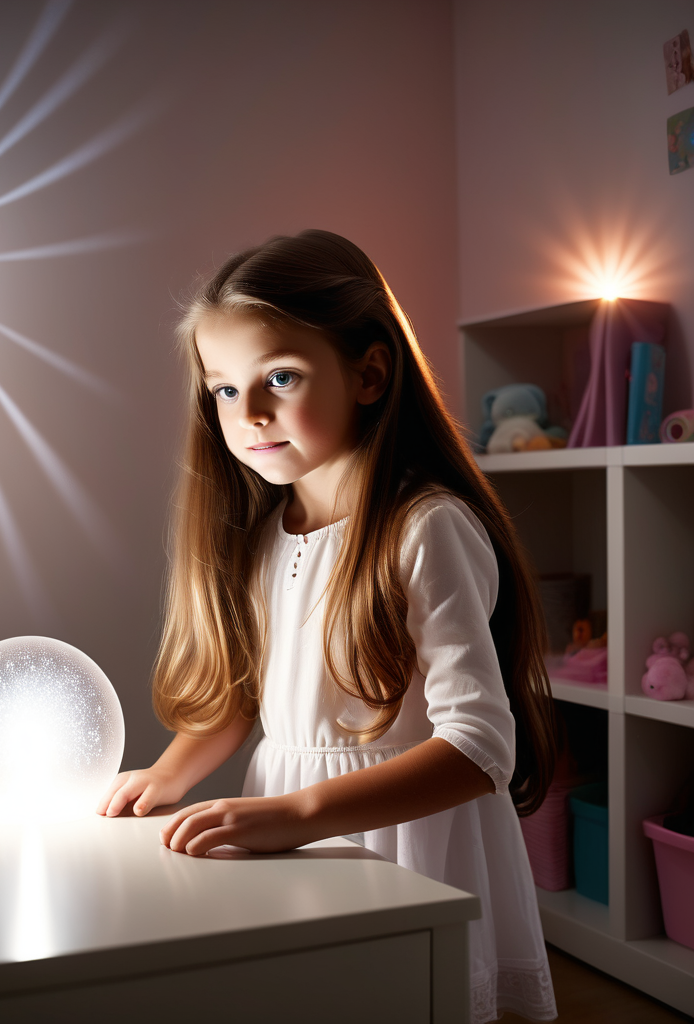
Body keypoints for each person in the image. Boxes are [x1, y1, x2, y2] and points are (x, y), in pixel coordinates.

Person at [98, 229, 558, 1023]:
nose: (251, 414)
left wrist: (299, 815)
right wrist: (168, 775)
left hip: (407, 838)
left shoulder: (426, 527)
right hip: (284, 823)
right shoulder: (264, 536)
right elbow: (250, 694)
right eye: (226, 390)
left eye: (280, 376)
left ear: (370, 372)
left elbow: (481, 745)